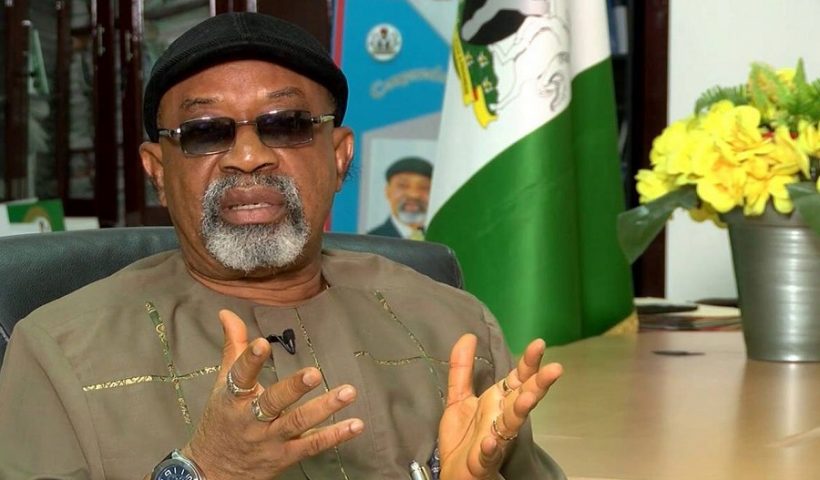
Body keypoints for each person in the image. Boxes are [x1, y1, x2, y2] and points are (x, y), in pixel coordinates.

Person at [0, 12, 565, 480]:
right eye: (206, 131)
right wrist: (205, 470)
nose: (248, 157)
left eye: (287, 124)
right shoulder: (57, 353)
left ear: (339, 157)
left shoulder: (457, 327)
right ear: (158, 172)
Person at [367, 156, 432, 240]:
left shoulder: (443, 239)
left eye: (424, 187)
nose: (413, 194)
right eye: (403, 185)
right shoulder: (370, 240)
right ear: (387, 191)